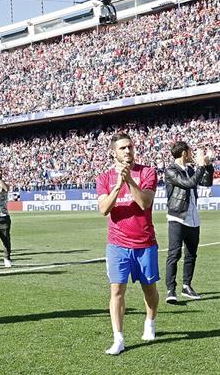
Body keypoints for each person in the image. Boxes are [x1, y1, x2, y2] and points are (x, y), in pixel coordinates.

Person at [96, 133, 159, 356]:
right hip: (117, 245)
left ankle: (150, 322)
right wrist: (117, 186)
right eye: (122, 148)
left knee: (149, 289)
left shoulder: (147, 172)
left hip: (145, 242)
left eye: (130, 147)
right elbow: (104, 209)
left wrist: (130, 181)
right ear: (114, 152)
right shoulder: (104, 178)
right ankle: (119, 339)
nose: (128, 151)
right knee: (116, 291)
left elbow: (145, 202)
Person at [163, 142, 214, 304]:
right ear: (184, 153)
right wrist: (200, 166)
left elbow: (206, 183)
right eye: (191, 151)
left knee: (191, 254)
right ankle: (171, 289)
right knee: (174, 254)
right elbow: (188, 184)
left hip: (193, 218)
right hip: (177, 216)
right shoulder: (171, 170)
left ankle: (186, 286)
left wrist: (208, 166)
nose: (192, 154)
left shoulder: (191, 169)